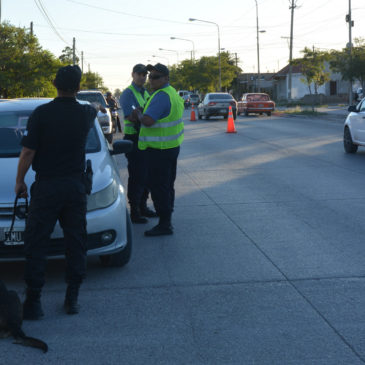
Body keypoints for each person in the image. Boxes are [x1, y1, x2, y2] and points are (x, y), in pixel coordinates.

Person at [15, 65, 99, 319]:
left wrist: (20, 181)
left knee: (37, 242)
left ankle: (34, 302)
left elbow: (28, 152)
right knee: (76, 243)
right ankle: (71, 298)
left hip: (47, 186)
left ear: (54, 84)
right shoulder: (86, 114)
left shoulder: (41, 114)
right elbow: (95, 109)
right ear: (78, 88)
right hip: (74, 187)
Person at [132, 63, 184, 236]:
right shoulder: (172, 93)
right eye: (151, 76)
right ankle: (167, 218)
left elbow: (148, 121)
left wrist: (139, 114)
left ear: (166, 78)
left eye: (155, 77)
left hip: (158, 150)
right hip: (170, 148)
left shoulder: (161, 96)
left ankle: (164, 224)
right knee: (167, 186)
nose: (151, 80)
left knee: (159, 187)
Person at [120, 64, 157, 223]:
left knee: (147, 175)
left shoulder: (146, 93)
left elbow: (146, 113)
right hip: (134, 138)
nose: (143, 77)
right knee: (137, 175)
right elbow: (131, 116)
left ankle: (143, 206)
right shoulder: (128, 93)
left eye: (144, 74)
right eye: (140, 74)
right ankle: (134, 211)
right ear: (133, 74)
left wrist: (144, 113)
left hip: (145, 138)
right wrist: (144, 113)